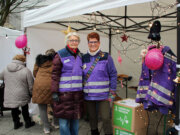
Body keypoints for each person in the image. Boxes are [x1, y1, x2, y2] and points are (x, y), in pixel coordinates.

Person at [82, 32, 117, 135]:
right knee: (92, 118)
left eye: (95, 42)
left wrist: (113, 91)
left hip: (104, 95)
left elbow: (113, 74)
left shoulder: (106, 57)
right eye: (90, 42)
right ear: (88, 43)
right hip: (88, 95)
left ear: (99, 43)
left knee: (106, 118)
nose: (93, 44)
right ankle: (94, 132)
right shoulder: (83, 58)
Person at [51, 32, 84, 135]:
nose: (74, 42)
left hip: (77, 95)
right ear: (67, 41)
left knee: (75, 121)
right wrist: (54, 92)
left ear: (78, 42)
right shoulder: (60, 54)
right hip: (64, 95)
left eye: (76, 40)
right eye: (72, 40)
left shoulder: (80, 56)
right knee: (64, 123)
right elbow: (55, 74)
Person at [0, 55, 35, 129]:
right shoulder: (26, 70)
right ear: (23, 60)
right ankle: (27, 122)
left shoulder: (6, 69)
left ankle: (16, 123)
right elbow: (31, 83)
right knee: (24, 108)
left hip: (10, 93)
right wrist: (32, 93)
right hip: (22, 92)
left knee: (14, 109)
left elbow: (1, 76)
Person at [32, 49, 59, 134]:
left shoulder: (39, 62)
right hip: (51, 85)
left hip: (39, 85)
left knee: (42, 108)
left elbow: (35, 73)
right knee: (55, 106)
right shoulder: (56, 62)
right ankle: (56, 123)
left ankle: (46, 128)